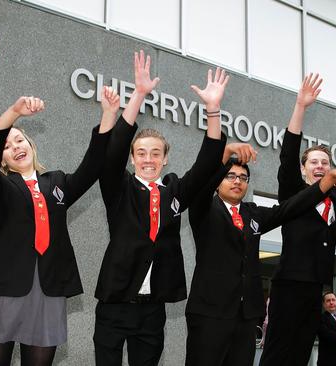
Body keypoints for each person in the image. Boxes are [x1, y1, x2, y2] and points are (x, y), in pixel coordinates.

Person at [93, 54, 228, 366]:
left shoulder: (176, 192)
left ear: (166, 158)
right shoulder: (119, 188)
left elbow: (208, 161)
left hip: (152, 310)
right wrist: (138, 94)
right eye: (141, 153)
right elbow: (111, 153)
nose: (148, 159)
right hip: (114, 305)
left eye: (156, 153)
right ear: (132, 159)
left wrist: (212, 109)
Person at [0, 84, 118, 366]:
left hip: (49, 287)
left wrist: (109, 115)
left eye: (19, 141)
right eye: (7, 146)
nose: (15, 147)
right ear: (1, 159)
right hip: (4, 286)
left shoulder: (57, 182)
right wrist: (14, 113)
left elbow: (93, 166)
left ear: (31, 144)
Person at [186, 145, 336, 366]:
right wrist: (223, 154)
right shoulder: (205, 209)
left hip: (246, 316)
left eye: (243, 177)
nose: (237, 181)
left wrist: (326, 182)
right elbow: (202, 183)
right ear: (218, 182)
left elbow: (292, 206)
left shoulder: (253, 213)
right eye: (230, 176)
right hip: (210, 312)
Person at [259, 75, 336, 366]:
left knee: (301, 352)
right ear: (304, 170)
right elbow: (288, 154)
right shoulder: (293, 190)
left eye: (324, 163)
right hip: (289, 283)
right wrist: (300, 106)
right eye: (313, 162)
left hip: (316, 287)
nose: (320, 166)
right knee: (277, 351)